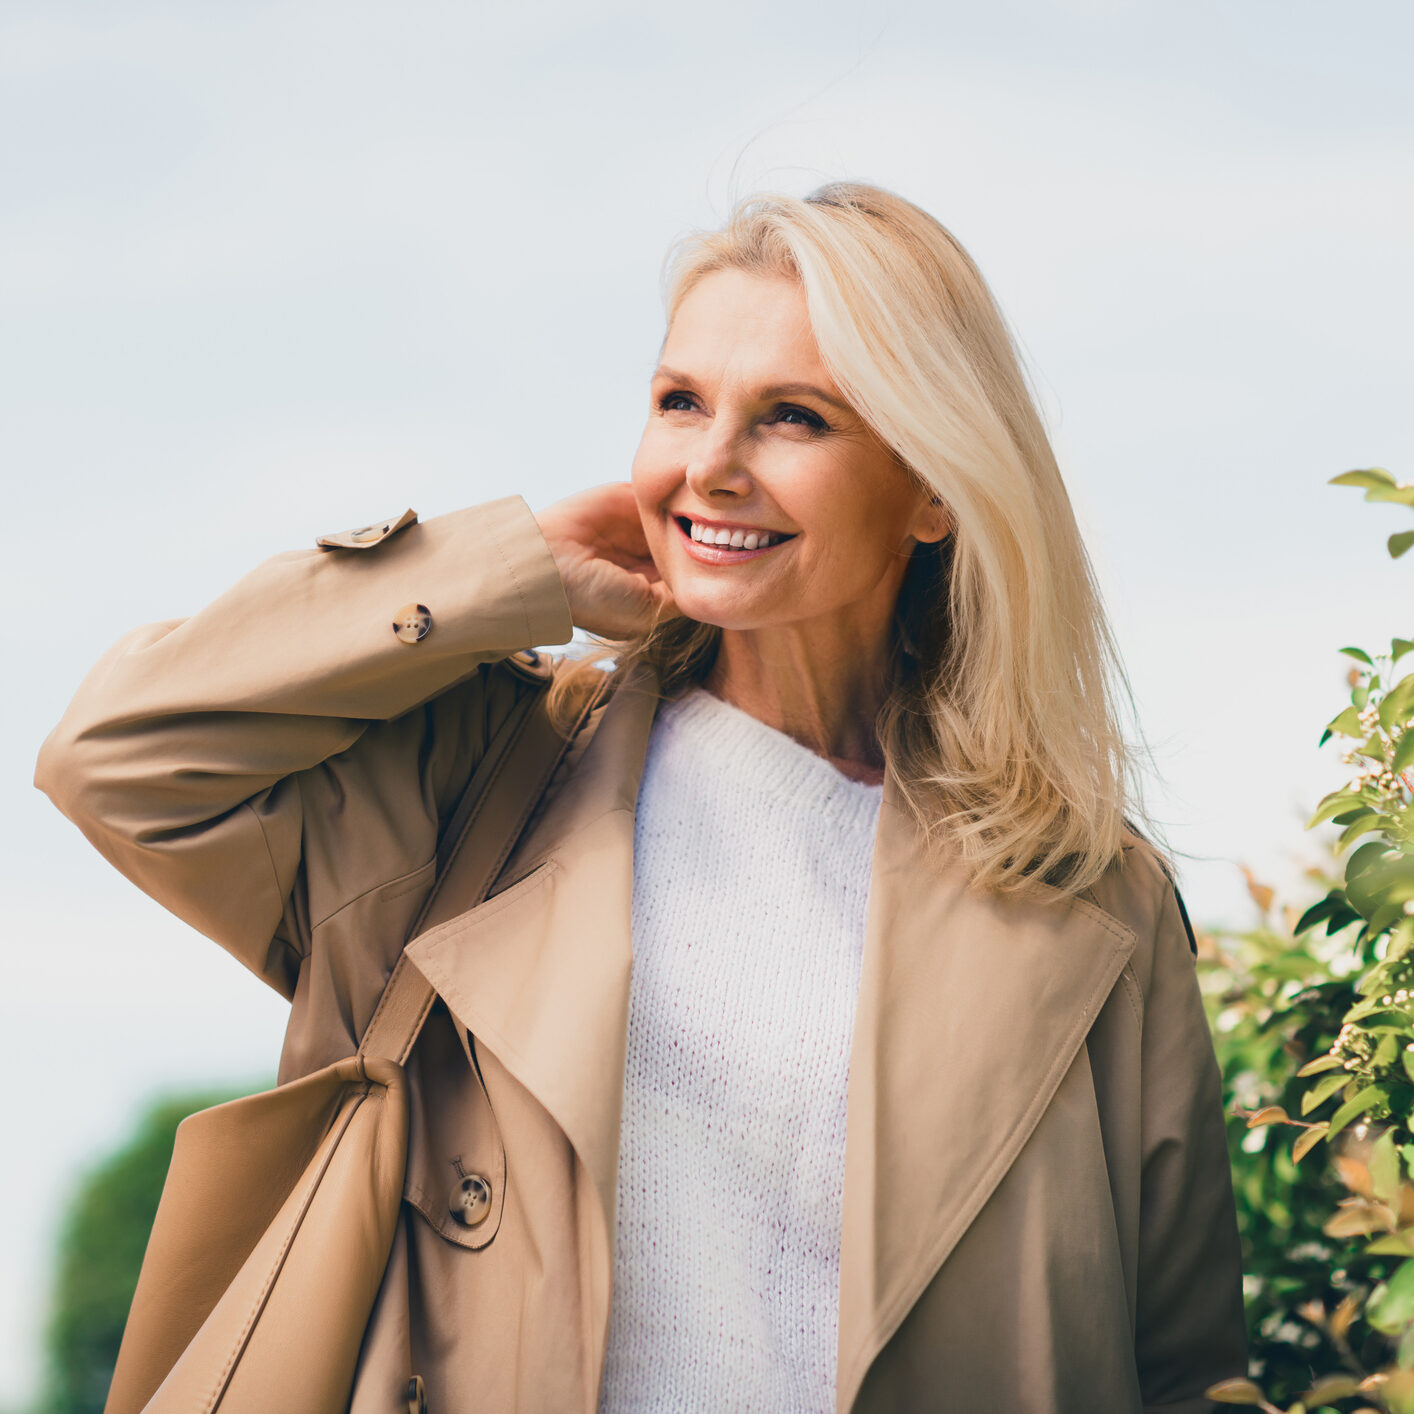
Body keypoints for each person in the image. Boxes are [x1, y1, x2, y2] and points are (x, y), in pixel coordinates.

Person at [34, 180, 1248, 1413]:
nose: (710, 466)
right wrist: (499, 572)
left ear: (933, 488)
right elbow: (119, 758)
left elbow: (1184, 1369)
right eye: (680, 402)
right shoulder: (484, 775)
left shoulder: (1086, 890)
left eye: (793, 418)